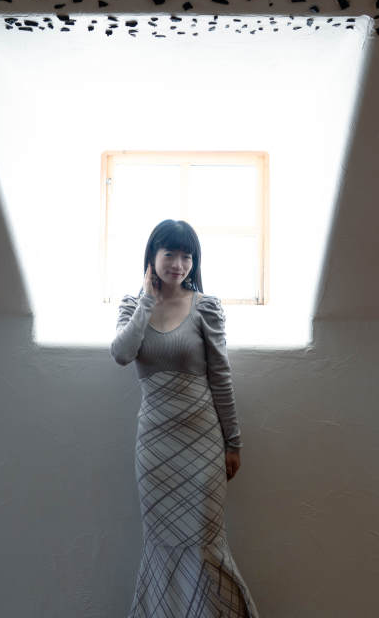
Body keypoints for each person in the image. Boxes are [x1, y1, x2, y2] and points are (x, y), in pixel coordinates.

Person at [110, 219, 260, 617]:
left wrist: (233, 441)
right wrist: (146, 301)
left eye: (187, 256)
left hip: (203, 444)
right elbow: (122, 354)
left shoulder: (205, 307)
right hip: (155, 449)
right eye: (170, 254)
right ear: (152, 257)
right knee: (160, 545)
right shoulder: (132, 306)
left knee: (205, 543)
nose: (178, 264)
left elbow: (221, 377)